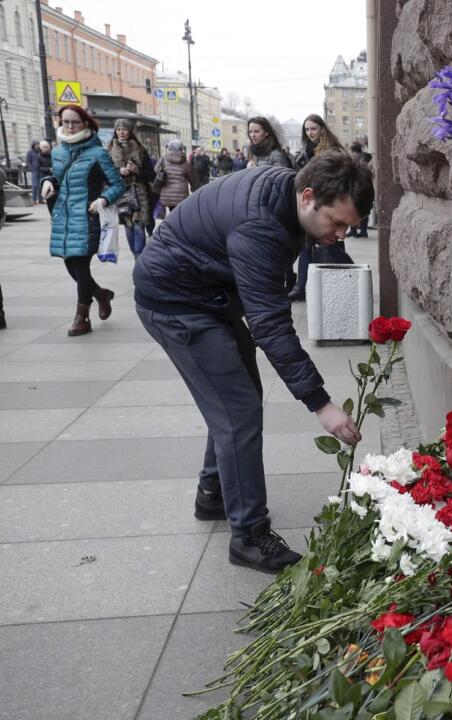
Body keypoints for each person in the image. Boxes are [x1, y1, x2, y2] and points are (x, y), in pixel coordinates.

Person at [132, 151, 372, 572]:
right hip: (176, 301)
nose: (340, 234)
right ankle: (249, 537)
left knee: (239, 398)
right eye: (336, 222)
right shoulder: (260, 226)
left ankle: (214, 494)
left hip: (207, 295)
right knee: (238, 408)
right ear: (308, 196)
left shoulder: (286, 196)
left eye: (348, 226)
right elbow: (271, 326)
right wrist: (322, 404)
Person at [41, 105, 125, 337]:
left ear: (85, 124)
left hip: (87, 216)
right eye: (65, 122)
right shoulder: (58, 153)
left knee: (80, 266)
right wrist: (47, 182)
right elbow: (58, 179)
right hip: (63, 218)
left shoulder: (98, 153)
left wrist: (103, 199)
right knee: (71, 265)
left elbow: (118, 184)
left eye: (74, 122)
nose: (69, 126)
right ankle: (100, 294)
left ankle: (82, 318)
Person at [288, 115, 347, 301]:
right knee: (306, 244)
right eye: (306, 130)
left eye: (313, 128)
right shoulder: (307, 150)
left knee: (329, 242)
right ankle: (302, 285)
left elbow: (338, 177)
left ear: (322, 128)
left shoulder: (332, 150)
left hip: (329, 202)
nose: (310, 133)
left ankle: (341, 279)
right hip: (312, 201)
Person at [107, 119, 154, 259]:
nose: (121, 132)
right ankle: (135, 253)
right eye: (118, 129)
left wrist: (136, 170)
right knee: (128, 227)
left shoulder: (140, 149)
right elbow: (105, 174)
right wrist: (119, 171)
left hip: (140, 194)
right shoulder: (109, 150)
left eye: (125, 129)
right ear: (115, 131)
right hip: (122, 193)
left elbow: (151, 174)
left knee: (139, 226)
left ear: (130, 131)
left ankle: (139, 257)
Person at [154, 140, 199, 215]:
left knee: (172, 213)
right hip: (181, 196)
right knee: (179, 215)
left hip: (166, 195)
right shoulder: (185, 163)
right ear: (181, 149)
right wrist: (195, 189)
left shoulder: (163, 159)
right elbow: (193, 179)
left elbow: (155, 170)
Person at [348, 141, 372, 238]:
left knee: (362, 210)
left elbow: (365, 160)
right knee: (353, 208)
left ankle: (363, 231)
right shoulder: (356, 158)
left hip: (362, 187)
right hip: (356, 187)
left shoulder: (363, 157)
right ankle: (354, 230)